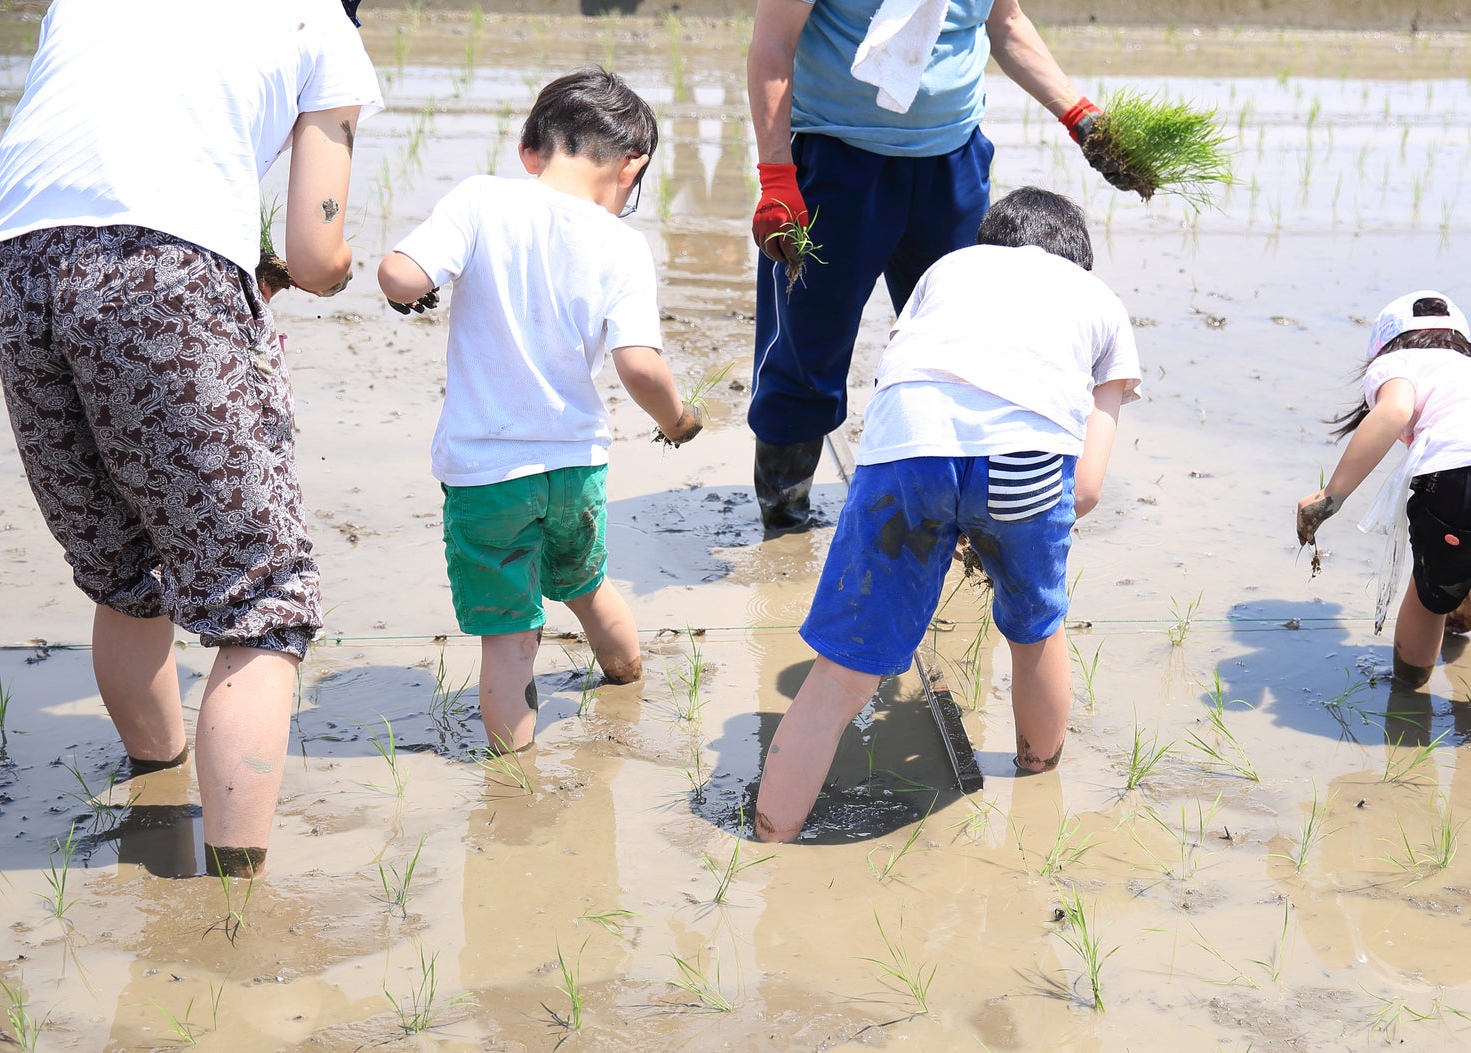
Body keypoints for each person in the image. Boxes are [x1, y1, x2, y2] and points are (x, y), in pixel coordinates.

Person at [0, 0, 380, 878]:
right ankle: (234, 899)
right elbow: (316, 253)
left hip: (18, 268)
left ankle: (155, 783)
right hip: (162, 272)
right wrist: (332, 263)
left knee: (124, 568)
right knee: (264, 599)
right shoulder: (320, 22)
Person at [753, 187, 1141, 842]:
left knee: (843, 668)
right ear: (1081, 264)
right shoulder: (1100, 301)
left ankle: (770, 834)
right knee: (1035, 630)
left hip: (909, 449)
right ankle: (1037, 775)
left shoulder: (946, 271)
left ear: (987, 241)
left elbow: (912, 381)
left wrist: (948, 507)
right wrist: (997, 524)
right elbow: (1087, 488)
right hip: (1028, 459)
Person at [378, 68, 704, 755]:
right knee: (586, 583)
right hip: (575, 467)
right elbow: (641, 365)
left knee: (509, 638)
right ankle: (626, 673)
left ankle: (515, 773)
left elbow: (400, 275)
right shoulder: (622, 244)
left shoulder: (480, 200)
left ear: (532, 151)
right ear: (631, 165)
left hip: (485, 475)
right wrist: (677, 421)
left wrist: (412, 287)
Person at [745, 0, 1133, 534]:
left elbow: (1006, 23)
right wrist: (776, 176)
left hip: (952, 165)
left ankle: (958, 509)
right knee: (808, 348)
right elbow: (774, 40)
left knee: (972, 349)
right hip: (837, 160)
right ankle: (785, 518)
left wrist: (1079, 115)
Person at [1295, 291, 1471, 748]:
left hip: (1461, 479)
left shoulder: (1399, 365)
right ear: (1462, 342)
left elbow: (1394, 412)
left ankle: (1408, 693)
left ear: (1386, 345)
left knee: (1429, 595)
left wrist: (1331, 497)